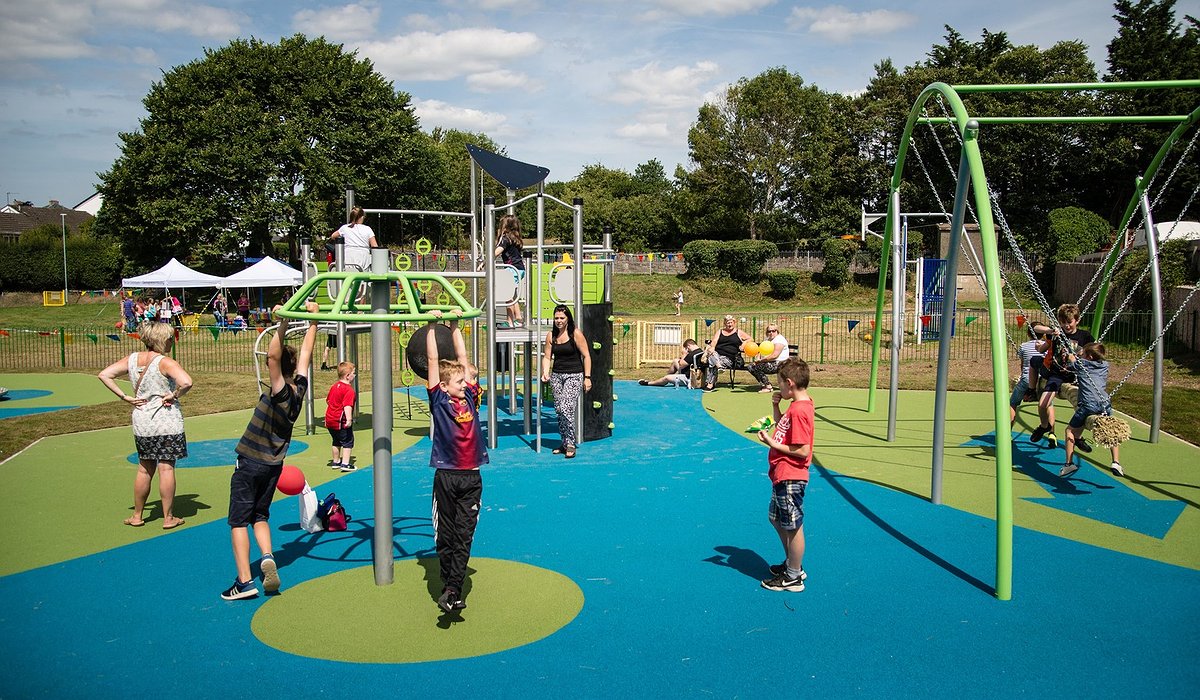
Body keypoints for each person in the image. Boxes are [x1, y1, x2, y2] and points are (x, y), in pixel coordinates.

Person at [220, 300, 320, 601]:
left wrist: (284, 322)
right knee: (260, 514)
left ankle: (245, 581)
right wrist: (313, 322)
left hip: (251, 462)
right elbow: (305, 354)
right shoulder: (299, 390)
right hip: (273, 466)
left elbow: (274, 357)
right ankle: (267, 556)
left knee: (238, 520)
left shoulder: (282, 393)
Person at [97, 321, 193, 530]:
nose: (171, 341)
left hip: (142, 420)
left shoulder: (132, 359)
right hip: (167, 420)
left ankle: (137, 515)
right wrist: (174, 394)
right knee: (166, 468)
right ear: (160, 339)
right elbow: (186, 382)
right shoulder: (165, 362)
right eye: (169, 338)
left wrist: (125, 397)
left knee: (144, 469)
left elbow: (105, 374)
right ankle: (168, 517)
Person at [425, 312, 488, 613]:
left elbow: (461, 356)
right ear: (446, 385)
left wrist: (453, 327)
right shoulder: (439, 401)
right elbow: (434, 362)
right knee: (447, 536)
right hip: (446, 477)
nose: (465, 383)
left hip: (471, 477)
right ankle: (448, 581)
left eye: (465, 379)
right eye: (460, 381)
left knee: (464, 536)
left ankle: (453, 589)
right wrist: (431, 328)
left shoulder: (471, 398)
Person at [757, 358, 814, 593]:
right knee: (776, 519)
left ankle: (794, 575)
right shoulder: (797, 405)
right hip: (781, 473)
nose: (778, 388)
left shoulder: (800, 410)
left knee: (792, 526)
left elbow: (802, 450)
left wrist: (771, 443)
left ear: (789, 383)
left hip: (791, 474)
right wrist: (775, 407)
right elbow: (785, 429)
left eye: (780, 384)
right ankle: (792, 563)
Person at [1031, 303, 1095, 451]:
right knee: (1042, 404)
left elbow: (1095, 351)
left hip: (1076, 375)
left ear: (1077, 320)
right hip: (1057, 374)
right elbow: (1035, 328)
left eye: (1069, 322)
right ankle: (1044, 426)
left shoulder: (1084, 336)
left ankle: (1078, 437)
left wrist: (1082, 355)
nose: (1066, 325)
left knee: (1083, 407)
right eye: (1063, 322)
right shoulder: (1056, 334)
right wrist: (1051, 330)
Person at [1060, 342, 1123, 478]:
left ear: (1088, 356)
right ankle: (1116, 462)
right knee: (1111, 429)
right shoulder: (1105, 365)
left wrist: (1072, 356)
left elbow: (1071, 363)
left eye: (1083, 354)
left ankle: (1069, 463)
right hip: (1104, 403)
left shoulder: (1082, 365)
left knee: (1069, 430)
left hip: (1088, 405)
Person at [541, 304, 592, 458]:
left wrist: (587, 377)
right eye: (556, 318)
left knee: (566, 407)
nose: (559, 321)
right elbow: (547, 357)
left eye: (562, 318)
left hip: (574, 375)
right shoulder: (551, 336)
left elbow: (587, 356)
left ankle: (571, 442)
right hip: (557, 375)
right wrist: (545, 372)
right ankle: (564, 442)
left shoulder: (575, 334)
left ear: (568, 318)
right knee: (558, 410)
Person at [1010, 322, 1051, 426]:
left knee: (1013, 402)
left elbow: (1023, 365)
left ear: (1028, 334)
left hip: (1027, 378)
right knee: (1048, 404)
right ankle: (1051, 432)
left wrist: (1022, 377)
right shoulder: (1046, 346)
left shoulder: (1023, 346)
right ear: (1043, 334)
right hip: (1042, 379)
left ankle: (1007, 430)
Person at [703, 314, 752, 391]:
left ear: (734, 322)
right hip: (717, 355)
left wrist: (744, 344)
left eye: (731, 322)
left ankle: (710, 384)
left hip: (730, 358)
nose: (729, 324)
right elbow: (715, 340)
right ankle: (719, 367)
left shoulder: (738, 332)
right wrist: (712, 347)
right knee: (712, 354)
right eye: (727, 323)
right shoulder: (720, 331)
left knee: (712, 361)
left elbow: (750, 339)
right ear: (725, 323)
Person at [492, 214, 525, 327]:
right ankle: (518, 318)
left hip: (512, 269)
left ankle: (510, 321)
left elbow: (496, 253)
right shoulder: (515, 238)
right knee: (512, 294)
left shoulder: (505, 239)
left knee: (507, 294)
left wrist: (484, 262)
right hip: (519, 268)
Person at [325, 361, 357, 472]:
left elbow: (328, 401)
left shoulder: (334, 386)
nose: (355, 375)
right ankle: (345, 463)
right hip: (340, 420)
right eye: (354, 373)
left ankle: (336, 461)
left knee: (336, 440)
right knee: (348, 441)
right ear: (348, 376)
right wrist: (349, 419)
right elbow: (347, 405)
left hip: (330, 420)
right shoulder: (349, 390)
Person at [329, 205, 378, 272]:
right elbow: (374, 245)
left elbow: (333, 236)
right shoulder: (367, 229)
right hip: (363, 257)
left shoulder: (345, 228)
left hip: (348, 256)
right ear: (362, 217)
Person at [639, 339, 704, 387]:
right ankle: (662, 379)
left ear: (688, 346)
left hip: (690, 378)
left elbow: (681, 365)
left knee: (667, 378)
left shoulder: (691, 354)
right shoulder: (700, 351)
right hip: (694, 372)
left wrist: (684, 354)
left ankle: (649, 383)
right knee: (675, 361)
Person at [747, 324, 791, 393]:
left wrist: (761, 361)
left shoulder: (779, 340)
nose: (771, 333)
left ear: (777, 331)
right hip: (770, 362)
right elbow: (761, 350)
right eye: (769, 331)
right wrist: (757, 358)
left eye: (773, 331)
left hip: (780, 363)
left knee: (758, 367)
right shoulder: (767, 339)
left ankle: (768, 387)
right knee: (750, 367)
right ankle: (764, 384)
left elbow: (774, 355)